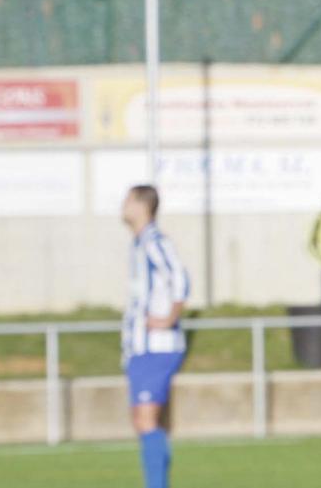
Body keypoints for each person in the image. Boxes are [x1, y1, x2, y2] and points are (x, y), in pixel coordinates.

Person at [121, 185, 190, 488]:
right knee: (145, 422)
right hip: (140, 347)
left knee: (146, 421)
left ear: (141, 205)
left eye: (127, 200)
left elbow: (180, 277)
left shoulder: (155, 241)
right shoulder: (139, 243)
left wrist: (170, 317)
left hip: (156, 347)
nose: (122, 206)